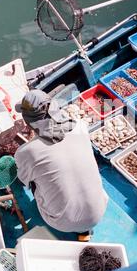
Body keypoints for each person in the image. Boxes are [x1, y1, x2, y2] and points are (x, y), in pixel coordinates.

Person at [14, 89, 108, 241]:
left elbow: (24, 181)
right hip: (99, 213)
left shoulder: (25, 152)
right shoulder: (80, 127)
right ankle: (84, 229)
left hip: (61, 223)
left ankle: (74, 225)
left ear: (28, 123)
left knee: (33, 180)